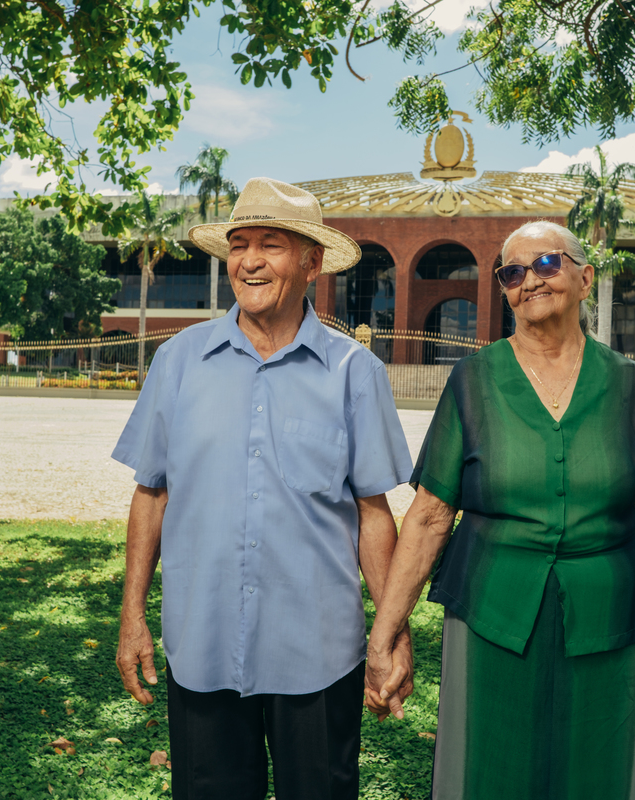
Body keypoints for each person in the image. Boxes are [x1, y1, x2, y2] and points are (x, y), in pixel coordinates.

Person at [364, 220, 635, 799]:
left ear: (585, 278)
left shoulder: (630, 386)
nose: (529, 280)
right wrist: (384, 637)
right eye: (512, 272)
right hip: (492, 613)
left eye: (546, 265)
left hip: (606, 619)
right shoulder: (473, 381)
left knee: (596, 776)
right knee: (485, 772)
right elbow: (431, 516)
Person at [112, 177, 414, 800]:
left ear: (312, 262)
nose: (249, 260)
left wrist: (391, 633)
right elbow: (152, 494)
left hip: (319, 653)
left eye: (270, 244)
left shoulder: (356, 373)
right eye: (239, 244)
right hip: (202, 644)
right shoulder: (178, 360)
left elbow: (373, 513)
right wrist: (132, 615)